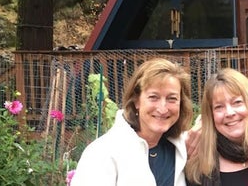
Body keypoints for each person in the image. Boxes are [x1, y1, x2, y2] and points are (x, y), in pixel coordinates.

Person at [71, 58, 194, 186]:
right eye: (153, 97)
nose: (163, 108)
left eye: (172, 99)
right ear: (136, 100)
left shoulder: (182, 147)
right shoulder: (102, 153)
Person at [185, 68, 248, 186]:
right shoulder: (197, 167)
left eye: (237, 102)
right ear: (211, 116)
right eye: (219, 107)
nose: (229, 113)